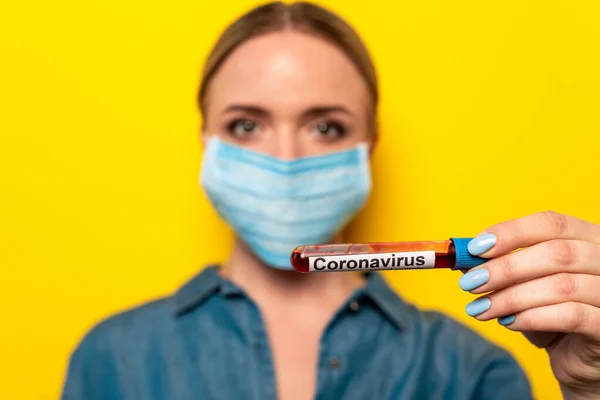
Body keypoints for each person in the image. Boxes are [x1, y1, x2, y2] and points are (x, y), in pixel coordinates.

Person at [61, 2, 600, 399]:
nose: (288, 156)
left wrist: (588, 388)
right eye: (246, 124)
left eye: (325, 126)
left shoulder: (470, 370)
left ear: (369, 147)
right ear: (208, 143)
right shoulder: (113, 359)